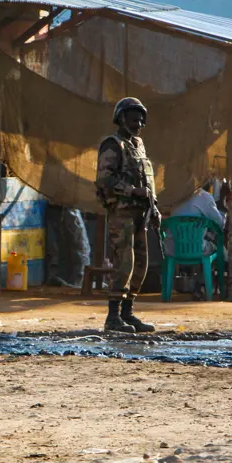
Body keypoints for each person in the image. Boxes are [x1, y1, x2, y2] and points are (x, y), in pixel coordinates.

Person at [95, 97, 159, 334]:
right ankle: (113, 317)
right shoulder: (113, 145)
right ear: (122, 118)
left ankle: (127, 313)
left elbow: (147, 179)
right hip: (121, 213)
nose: (139, 123)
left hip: (140, 213)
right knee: (124, 263)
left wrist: (154, 208)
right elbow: (105, 179)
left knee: (140, 265)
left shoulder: (138, 145)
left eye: (141, 119)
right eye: (134, 118)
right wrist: (132, 191)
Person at [166, 180, 227, 298]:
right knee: (219, 249)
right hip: (196, 249)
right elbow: (220, 224)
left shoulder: (174, 195)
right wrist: (223, 206)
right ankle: (204, 284)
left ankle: (198, 286)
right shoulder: (203, 196)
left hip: (172, 248)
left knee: (200, 239)